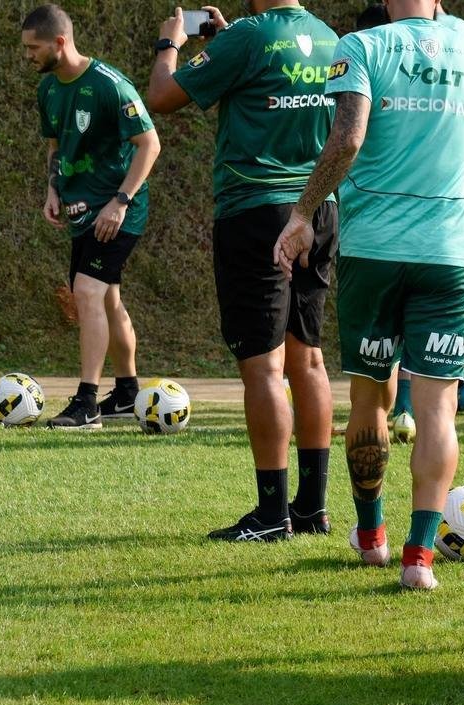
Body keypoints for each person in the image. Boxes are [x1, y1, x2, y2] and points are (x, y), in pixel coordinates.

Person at [276, 0, 464, 590]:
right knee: (437, 409)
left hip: (374, 250)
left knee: (370, 399)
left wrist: (302, 213)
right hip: (450, 253)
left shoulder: (362, 46)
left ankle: (372, 537)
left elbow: (346, 140)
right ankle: (419, 558)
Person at [147, 1, 339, 539]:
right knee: (310, 360)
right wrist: (229, 41)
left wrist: (170, 44)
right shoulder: (329, 36)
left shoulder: (249, 37)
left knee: (264, 367)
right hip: (319, 209)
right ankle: (311, 508)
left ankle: (271, 515)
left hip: (258, 211)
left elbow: (161, 97)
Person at [22, 4, 160, 430]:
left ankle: (87, 404)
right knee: (107, 297)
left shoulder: (109, 85)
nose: (28, 55)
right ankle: (127, 393)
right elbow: (55, 145)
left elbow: (150, 144)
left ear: (60, 42)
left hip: (118, 210)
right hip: (80, 211)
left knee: (86, 292)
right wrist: (52, 188)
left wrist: (121, 201)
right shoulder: (48, 89)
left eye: (34, 47)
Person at [387, 0, 464, 434]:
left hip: (462, 181)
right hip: (402, 184)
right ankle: (403, 393)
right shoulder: (388, 36)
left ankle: (459, 373)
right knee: (405, 276)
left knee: (462, 273)